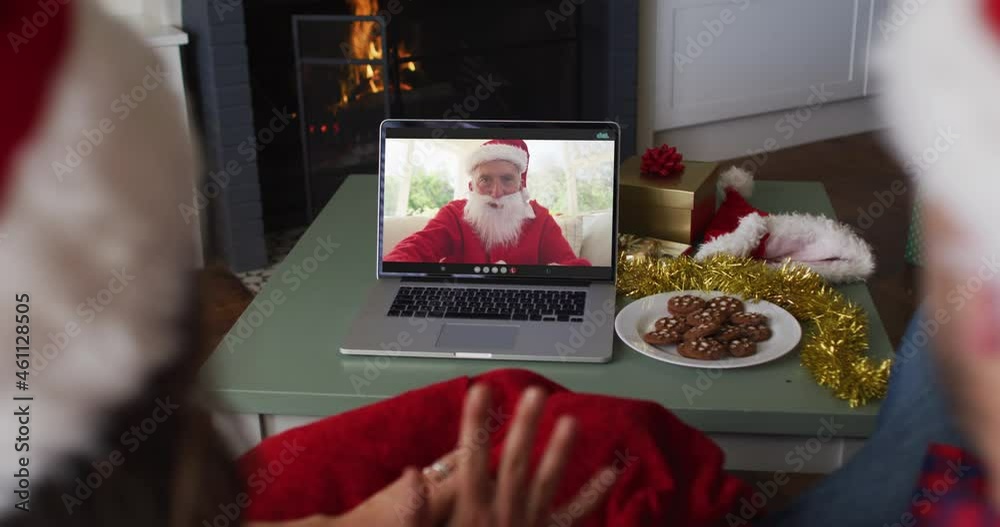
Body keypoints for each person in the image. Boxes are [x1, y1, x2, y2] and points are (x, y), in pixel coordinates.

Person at [384, 139, 591, 266]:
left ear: (521, 184)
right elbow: (414, 249)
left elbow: (573, 267)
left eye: (507, 179)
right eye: (485, 180)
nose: (496, 192)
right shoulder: (453, 214)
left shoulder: (541, 219)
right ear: (472, 185)